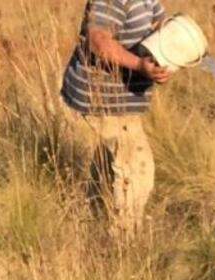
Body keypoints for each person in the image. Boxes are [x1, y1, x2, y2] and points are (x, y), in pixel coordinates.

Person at [61, 0, 171, 240]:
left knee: (109, 165)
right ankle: (123, 241)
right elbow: (97, 40)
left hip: (123, 100)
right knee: (137, 170)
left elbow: (160, 22)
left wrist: (174, 49)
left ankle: (92, 225)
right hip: (102, 99)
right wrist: (139, 65)